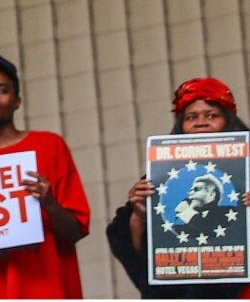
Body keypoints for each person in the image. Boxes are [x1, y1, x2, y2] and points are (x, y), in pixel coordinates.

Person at [0, 54, 90, 299]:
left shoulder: (49, 146)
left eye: (3, 90)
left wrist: (49, 204)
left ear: (17, 101)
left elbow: (77, 231)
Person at [107, 77, 250, 299]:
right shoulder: (159, 176)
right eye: (191, 117)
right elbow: (133, 252)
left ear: (228, 121)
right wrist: (138, 216)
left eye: (211, 115)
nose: (200, 122)